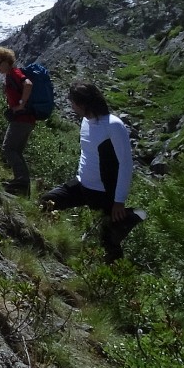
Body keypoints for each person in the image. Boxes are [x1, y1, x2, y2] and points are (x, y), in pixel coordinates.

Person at [41, 81, 145, 262]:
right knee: (46, 202)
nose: (71, 106)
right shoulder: (86, 121)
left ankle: (115, 277)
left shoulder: (113, 125)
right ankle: (53, 242)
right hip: (82, 185)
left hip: (103, 193)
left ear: (82, 104)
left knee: (108, 244)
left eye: (73, 102)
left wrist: (118, 201)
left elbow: (126, 165)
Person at [0, 45, 34, 195]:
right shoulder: (10, 75)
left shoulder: (14, 73)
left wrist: (20, 105)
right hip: (27, 120)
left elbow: (28, 84)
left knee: (8, 148)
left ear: (7, 60)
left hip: (21, 119)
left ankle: (21, 182)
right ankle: (22, 184)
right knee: (17, 151)